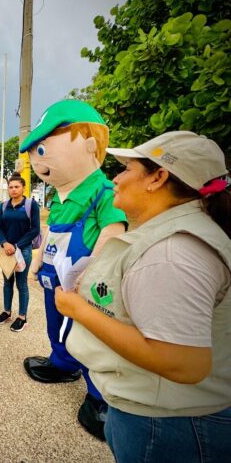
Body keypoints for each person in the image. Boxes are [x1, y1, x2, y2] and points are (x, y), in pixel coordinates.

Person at [55, 131, 231, 461]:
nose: (115, 178)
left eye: (127, 169)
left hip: (168, 423)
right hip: (160, 413)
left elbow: (182, 362)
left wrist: (78, 308)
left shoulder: (173, 251)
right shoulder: (169, 236)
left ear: (158, 178)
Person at [19, 99, 127, 440]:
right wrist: (36, 261)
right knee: (57, 324)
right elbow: (50, 233)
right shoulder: (58, 197)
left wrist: (91, 273)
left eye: (44, 149)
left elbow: (113, 233)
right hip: (56, 280)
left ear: (91, 145)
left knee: (90, 336)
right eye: (36, 151)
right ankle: (63, 364)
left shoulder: (104, 191)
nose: (38, 160)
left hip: (86, 286)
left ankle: (100, 398)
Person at [0, 174, 40, 331]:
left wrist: (17, 245)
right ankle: (7, 312)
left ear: (23, 188)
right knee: (7, 281)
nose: (13, 190)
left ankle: (22, 316)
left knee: (21, 284)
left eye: (16, 187)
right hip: (6, 250)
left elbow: (35, 230)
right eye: (11, 187)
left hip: (23, 250)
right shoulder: (4, 205)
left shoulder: (31, 205)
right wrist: (5, 242)